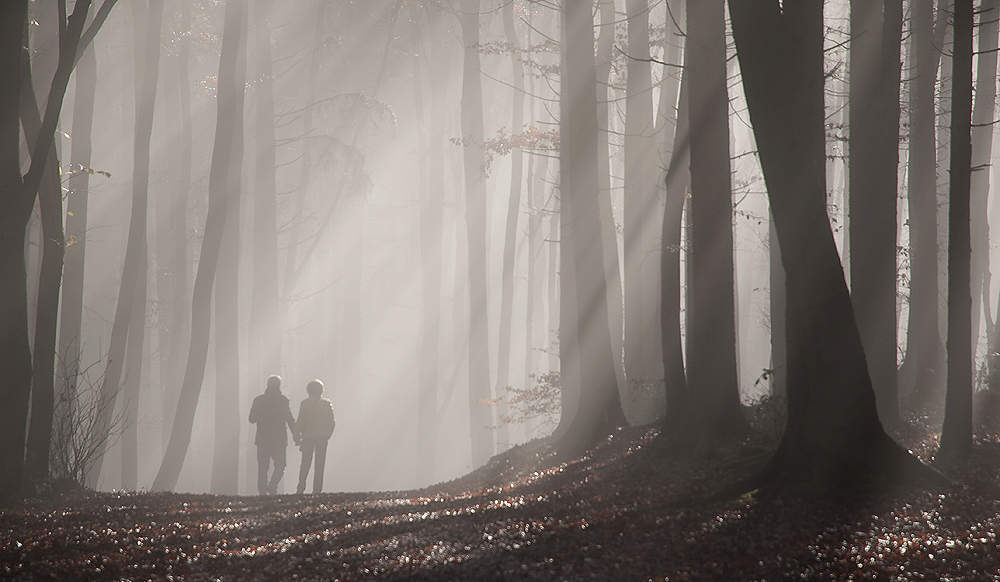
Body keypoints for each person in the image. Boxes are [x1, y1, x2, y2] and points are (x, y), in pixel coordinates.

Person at [248, 375, 295, 495]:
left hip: (262, 439)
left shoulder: (258, 400)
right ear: (278, 385)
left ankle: (262, 492)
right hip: (279, 439)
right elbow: (289, 418)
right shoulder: (283, 400)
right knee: (280, 465)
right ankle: (273, 485)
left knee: (263, 467)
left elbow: (252, 419)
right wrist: (296, 434)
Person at [294, 379, 336, 494]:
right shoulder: (327, 403)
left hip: (308, 437)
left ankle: (301, 486)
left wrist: (296, 435)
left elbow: (300, 421)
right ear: (321, 390)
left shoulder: (305, 403)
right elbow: (331, 422)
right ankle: (317, 490)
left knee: (305, 462)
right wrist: (328, 434)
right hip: (322, 437)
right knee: (320, 463)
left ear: (308, 390)